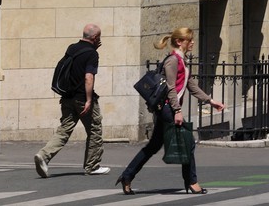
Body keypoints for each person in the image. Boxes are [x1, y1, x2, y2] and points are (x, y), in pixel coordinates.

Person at [117, 28, 226, 195]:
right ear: (179, 42)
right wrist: (177, 110)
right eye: (189, 40)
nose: (193, 42)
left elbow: (191, 85)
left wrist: (210, 101)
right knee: (187, 142)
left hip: (167, 109)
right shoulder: (173, 61)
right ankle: (192, 182)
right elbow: (170, 87)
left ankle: (127, 176)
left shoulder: (181, 60)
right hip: (168, 108)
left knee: (153, 146)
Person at [34, 23, 109, 177]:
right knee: (95, 128)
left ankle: (43, 155)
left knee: (64, 129)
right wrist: (89, 100)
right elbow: (88, 77)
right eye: (99, 37)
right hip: (83, 98)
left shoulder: (72, 48)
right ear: (95, 38)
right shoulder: (92, 54)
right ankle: (92, 165)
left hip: (67, 98)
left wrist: (93, 49)